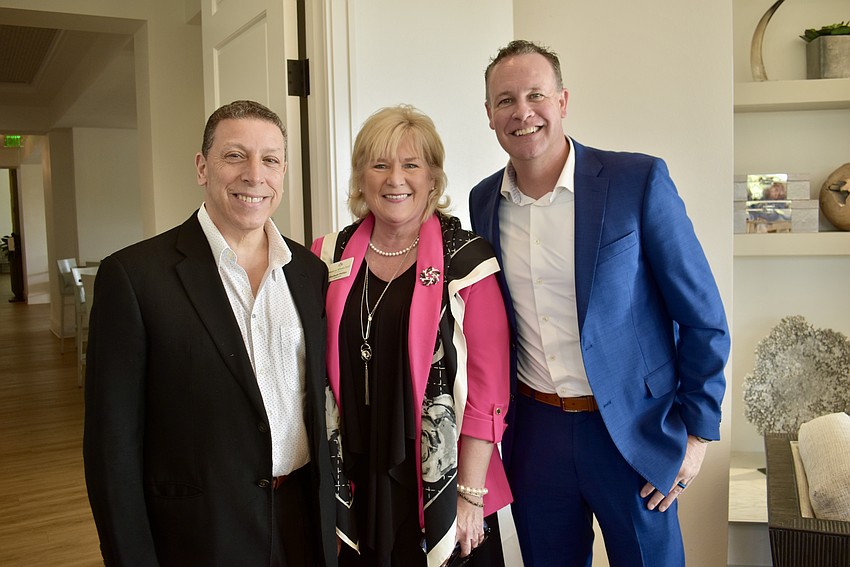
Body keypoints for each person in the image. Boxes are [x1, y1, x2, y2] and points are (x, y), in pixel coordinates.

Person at [469, 40, 730, 566]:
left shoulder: (637, 181)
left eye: (536, 95)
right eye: (506, 100)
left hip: (634, 433)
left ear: (562, 101)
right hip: (535, 434)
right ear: (490, 114)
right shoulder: (483, 202)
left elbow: (702, 316)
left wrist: (698, 435)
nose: (522, 112)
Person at [83, 100, 337, 566]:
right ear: (203, 167)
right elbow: (111, 445)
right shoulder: (135, 277)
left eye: (270, 160)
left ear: (283, 173)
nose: (254, 175)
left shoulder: (309, 272)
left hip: (301, 519)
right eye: (235, 156)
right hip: (199, 533)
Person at [311, 105, 512, 567]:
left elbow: (489, 389)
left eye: (411, 165)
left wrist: (470, 495)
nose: (395, 179)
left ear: (433, 178)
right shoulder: (328, 254)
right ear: (361, 177)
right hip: (357, 478)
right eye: (379, 165)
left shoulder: (466, 259)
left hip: (444, 478)